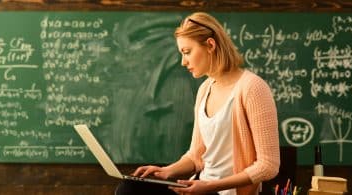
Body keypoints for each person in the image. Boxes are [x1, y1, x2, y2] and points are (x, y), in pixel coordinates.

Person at [116, 12, 280, 195]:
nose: (183, 62)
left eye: (187, 52)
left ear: (210, 45)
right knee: (129, 188)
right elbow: (196, 156)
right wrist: (166, 171)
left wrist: (210, 186)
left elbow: (268, 166)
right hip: (201, 187)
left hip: (223, 192)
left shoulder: (252, 88)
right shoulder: (205, 89)